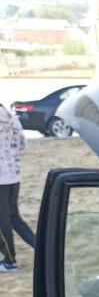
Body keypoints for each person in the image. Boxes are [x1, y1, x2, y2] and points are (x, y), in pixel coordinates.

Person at [0, 102, 35, 272]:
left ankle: (10, 261)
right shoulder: (13, 118)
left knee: (3, 222)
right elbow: (22, 145)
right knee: (14, 218)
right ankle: (41, 247)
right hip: (14, 175)